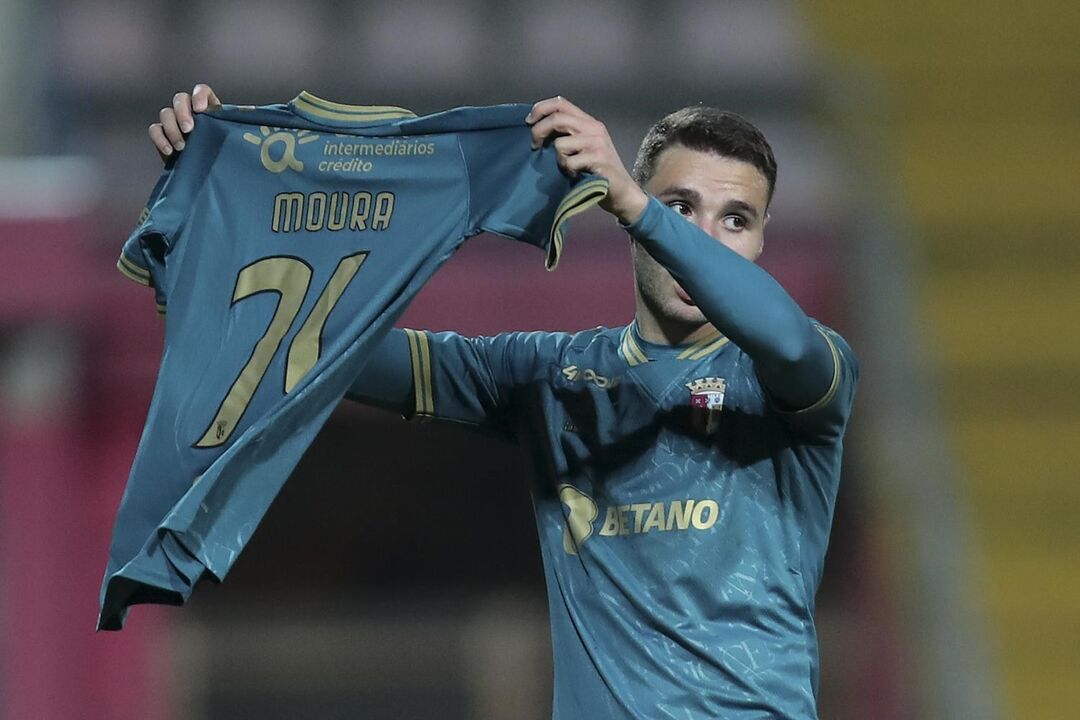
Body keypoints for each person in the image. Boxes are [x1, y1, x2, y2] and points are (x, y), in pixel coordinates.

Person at [151, 85, 857, 719]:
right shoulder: (551, 376)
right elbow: (316, 347)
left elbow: (785, 338)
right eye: (681, 206)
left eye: (735, 220)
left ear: (761, 241)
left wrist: (642, 210)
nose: (702, 238)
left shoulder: (800, 376)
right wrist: (209, 218)